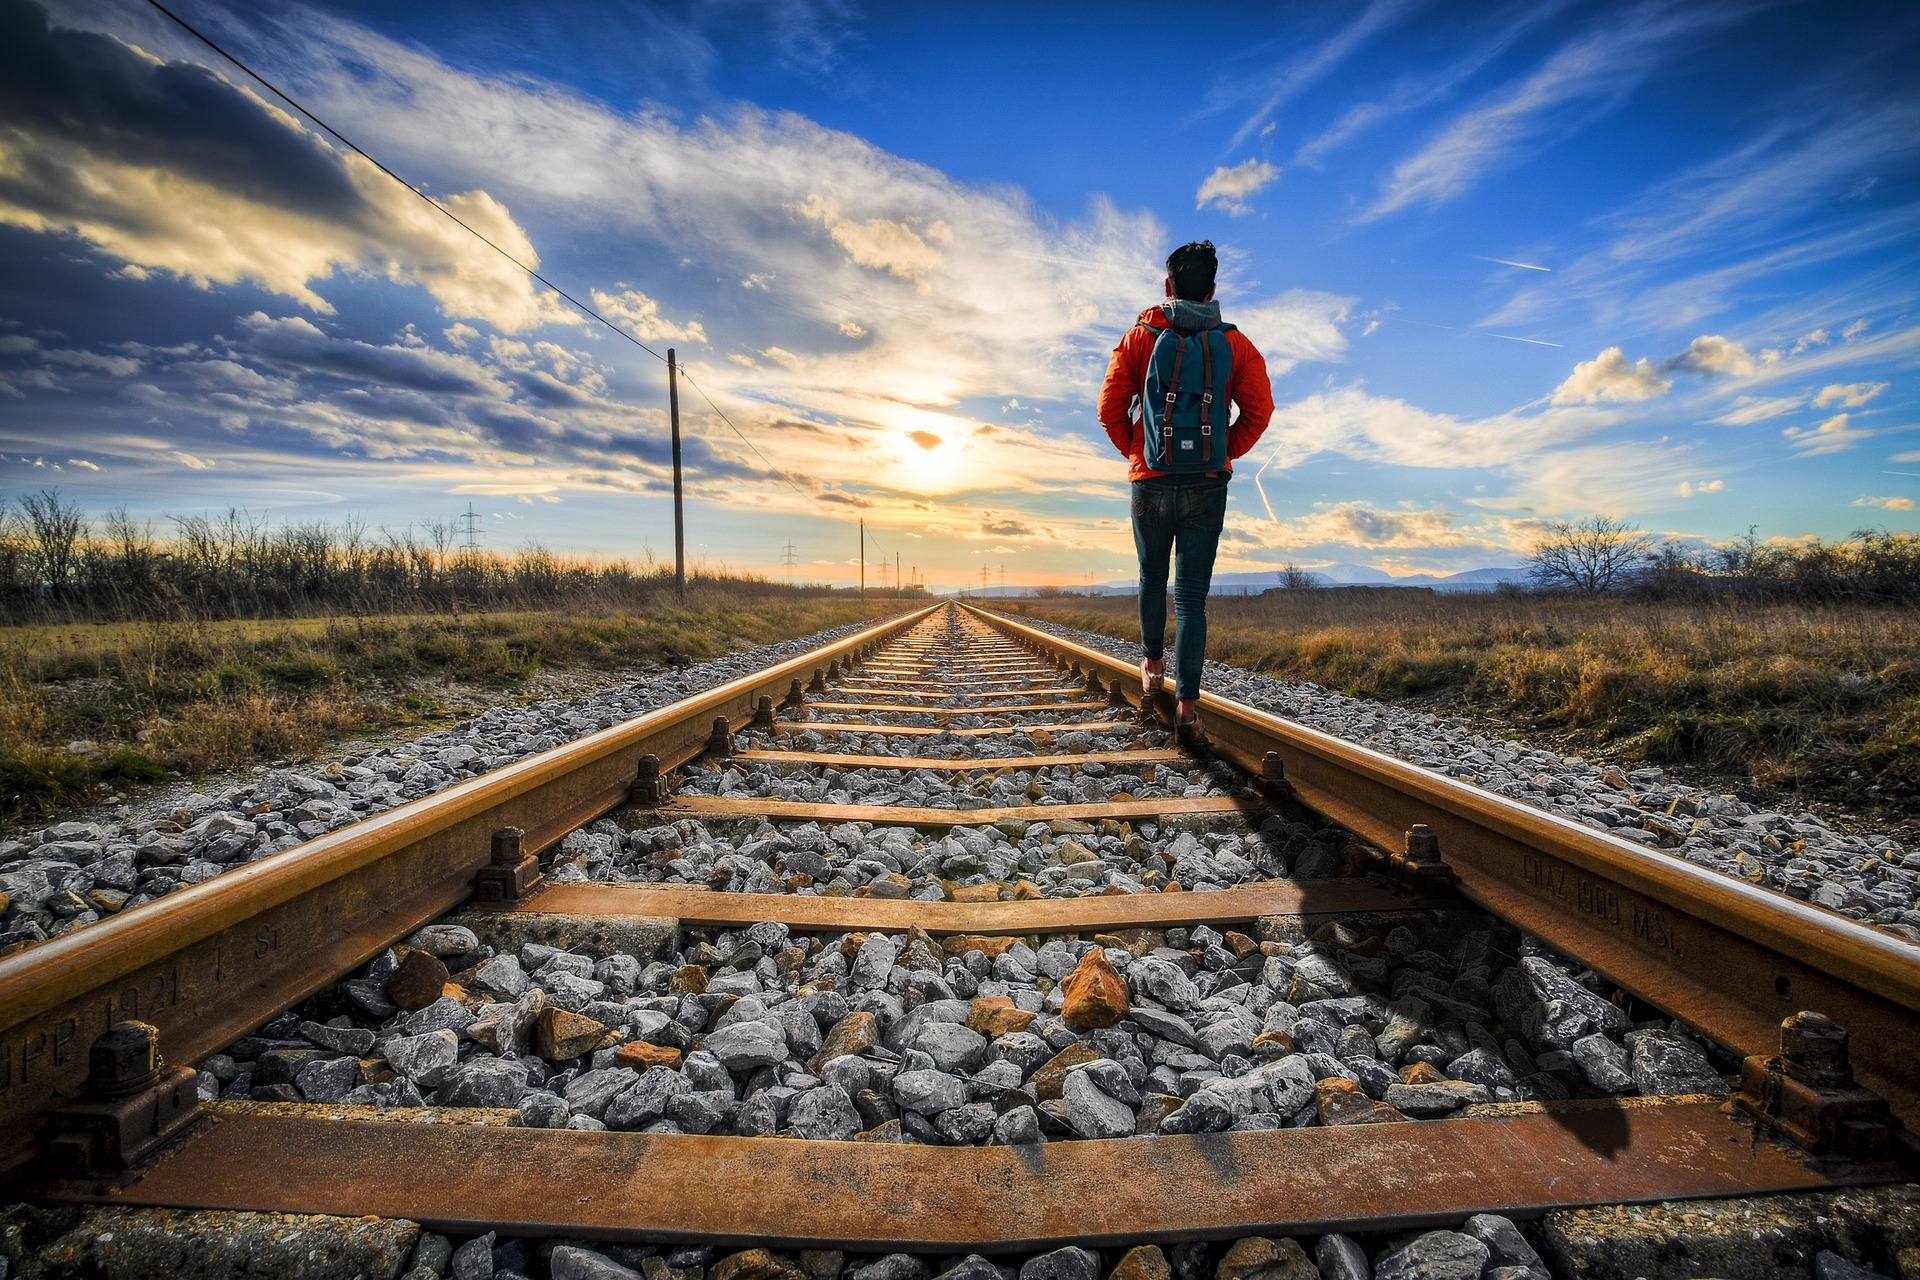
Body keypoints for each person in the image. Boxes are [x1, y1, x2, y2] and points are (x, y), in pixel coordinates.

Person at [1097, 240, 1272, 744]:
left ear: (1167, 286)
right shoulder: (1237, 345)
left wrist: (1142, 452)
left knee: (1152, 577)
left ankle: (1152, 669)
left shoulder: (1139, 338)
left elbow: (1110, 410)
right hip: (1207, 485)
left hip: (1149, 482)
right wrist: (1222, 453)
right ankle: (1188, 711)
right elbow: (1258, 413)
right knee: (1193, 598)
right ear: (1213, 289)